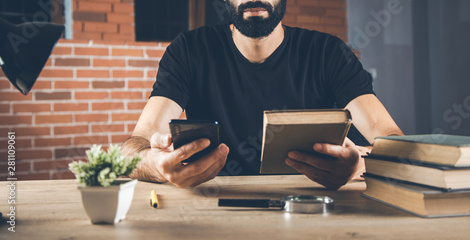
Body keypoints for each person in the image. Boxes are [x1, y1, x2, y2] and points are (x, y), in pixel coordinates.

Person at [122, 0, 403, 189]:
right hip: (216, 209)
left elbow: (396, 144)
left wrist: (358, 167)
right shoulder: (189, 50)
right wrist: (158, 166)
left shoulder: (329, 53)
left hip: (316, 208)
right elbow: (131, 152)